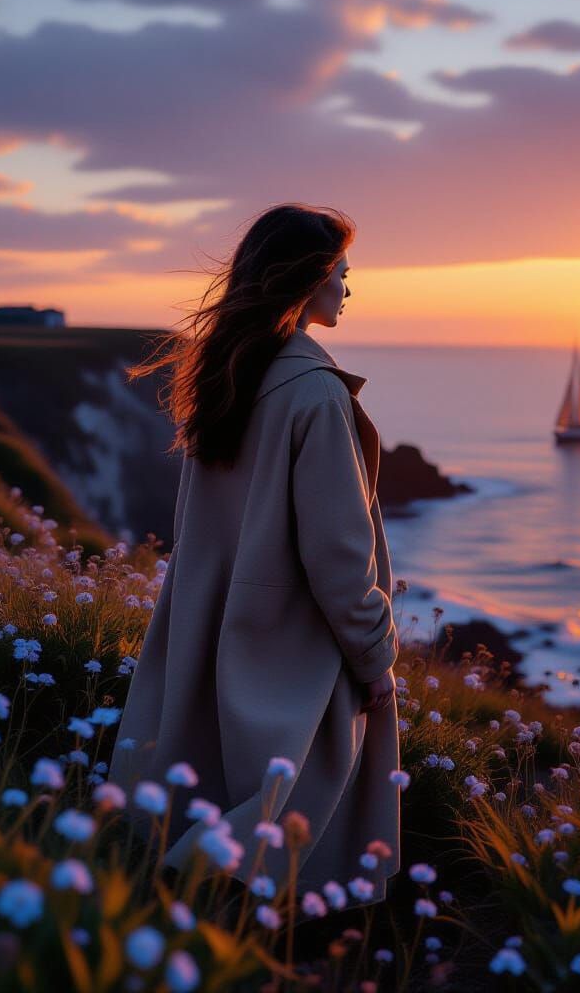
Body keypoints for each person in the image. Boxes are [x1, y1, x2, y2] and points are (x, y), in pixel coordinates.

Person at [108, 202, 401, 906]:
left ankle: (182, 900)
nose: (348, 289)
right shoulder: (314, 396)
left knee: (210, 782)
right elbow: (340, 559)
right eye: (340, 273)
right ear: (305, 279)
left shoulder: (227, 378)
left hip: (208, 621)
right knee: (292, 815)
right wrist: (376, 657)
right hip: (291, 644)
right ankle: (278, 931)